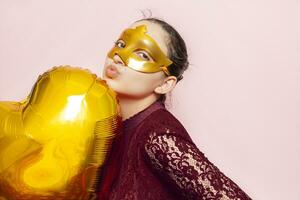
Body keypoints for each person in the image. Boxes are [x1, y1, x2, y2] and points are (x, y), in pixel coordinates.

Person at [97, 17, 252, 200]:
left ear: (165, 84)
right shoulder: (105, 126)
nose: (119, 57)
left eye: (143, 55)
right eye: (121, 44)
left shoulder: (158, 136)